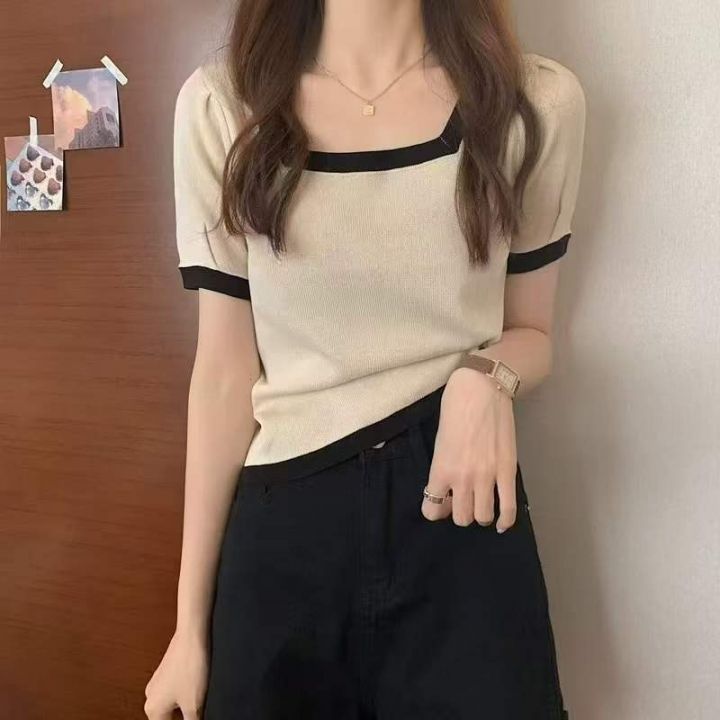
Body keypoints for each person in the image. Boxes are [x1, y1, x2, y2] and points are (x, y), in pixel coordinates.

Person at [144, 1, 586, 718]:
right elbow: (224, 374)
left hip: (461, 521)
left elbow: (532, 331)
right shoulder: (225, 106)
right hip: (285, 533)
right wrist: (188, 627)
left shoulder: (531, 103)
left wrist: (486, 378)